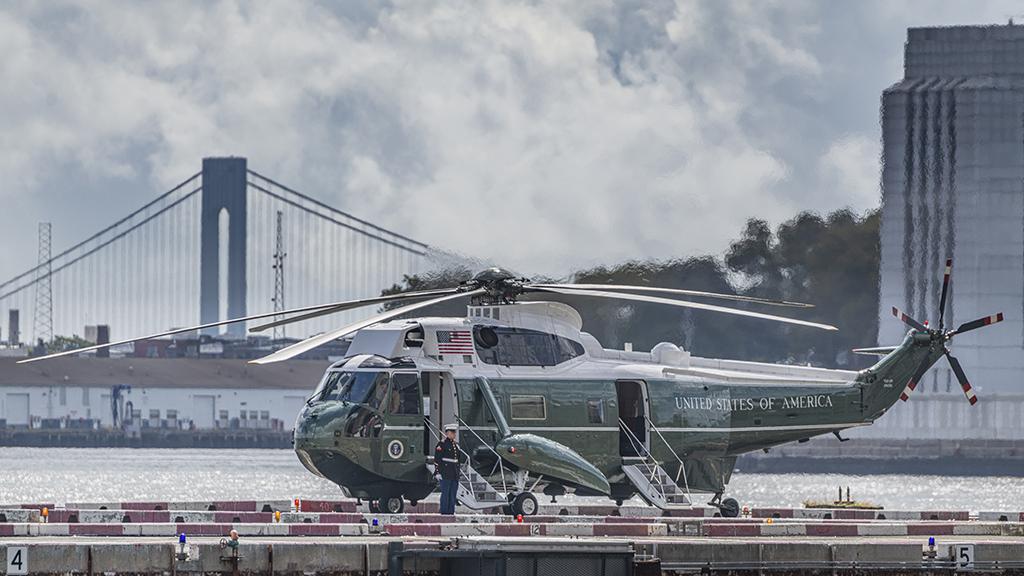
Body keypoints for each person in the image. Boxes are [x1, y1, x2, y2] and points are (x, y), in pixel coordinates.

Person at [434, 423, 462, 515]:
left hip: (454, 472)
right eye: (452, 432)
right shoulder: (442, 444)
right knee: (445, 493)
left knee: (453, 493)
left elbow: (457, 460)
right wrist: (437, 472)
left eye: (454, 432)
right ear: (447, 433)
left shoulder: (456, 445)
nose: (454, 434)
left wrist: (458, 471)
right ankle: (444, 511)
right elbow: (437, 459)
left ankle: (451, 511)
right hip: (445, 472)